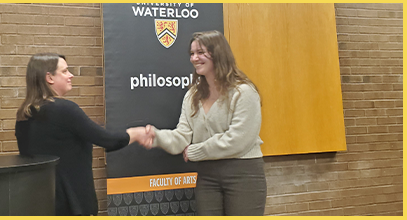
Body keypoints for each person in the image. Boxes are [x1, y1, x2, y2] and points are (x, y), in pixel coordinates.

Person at [143, 30, 267, 215]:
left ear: (218, 53)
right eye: (192, 53)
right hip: (207, 176)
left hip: (243, 174)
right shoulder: (192, 95)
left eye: (200, 52)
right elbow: (182, 136)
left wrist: (195, 151)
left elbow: (238, 140)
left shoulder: (244, 92)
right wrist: (157, 136)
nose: (194, 58)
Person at [15, 53, 151, 216]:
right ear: (49, 77)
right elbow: (107, 140)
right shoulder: (64, 109)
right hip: (72, 205)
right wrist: (135, 133)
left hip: (38, 205)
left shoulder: (23, 115)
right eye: (65, 71)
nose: (71, 75)